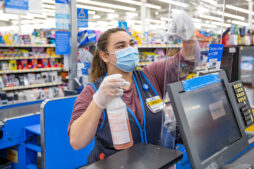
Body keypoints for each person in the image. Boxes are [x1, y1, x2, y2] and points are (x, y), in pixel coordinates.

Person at [68, 27, 199, 163]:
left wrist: (188, 37)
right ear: (105, 56)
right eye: (121, 46)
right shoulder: (94, 91)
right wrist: (98, 102)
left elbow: (187, 63)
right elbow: (77, 141)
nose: (129, 49)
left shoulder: (151, 75)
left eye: (131, 44)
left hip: (155, 163)